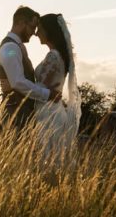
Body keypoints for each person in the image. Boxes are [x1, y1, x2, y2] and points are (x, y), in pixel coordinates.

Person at [0, 6, 59, 129]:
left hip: (22, 114)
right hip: (14, 116)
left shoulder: (17, 47)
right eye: (32, 27)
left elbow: (17, 81)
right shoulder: (10, 48)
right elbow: (18, 81)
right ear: (20, 22)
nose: (34, 33)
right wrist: (48, 94)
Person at [33, 13, 81, 157]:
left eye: (39, 29)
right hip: (54, 110)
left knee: (48, 156)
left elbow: (41, 88)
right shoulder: (59, 56)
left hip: (48, 114)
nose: (36, 33)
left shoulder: (53, 56)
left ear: (49, 30)